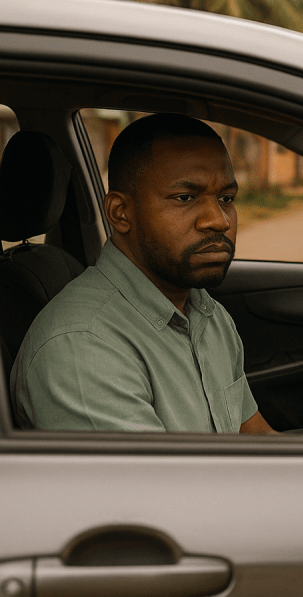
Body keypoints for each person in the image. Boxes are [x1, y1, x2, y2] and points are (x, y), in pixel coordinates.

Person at [11, 113, 276, 432]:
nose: (219, 220)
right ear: (120, 213)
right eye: (185, 198)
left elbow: (256, 435)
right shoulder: (84, 347)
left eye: (226, 198)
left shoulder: (208, 314)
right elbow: (154, 484)